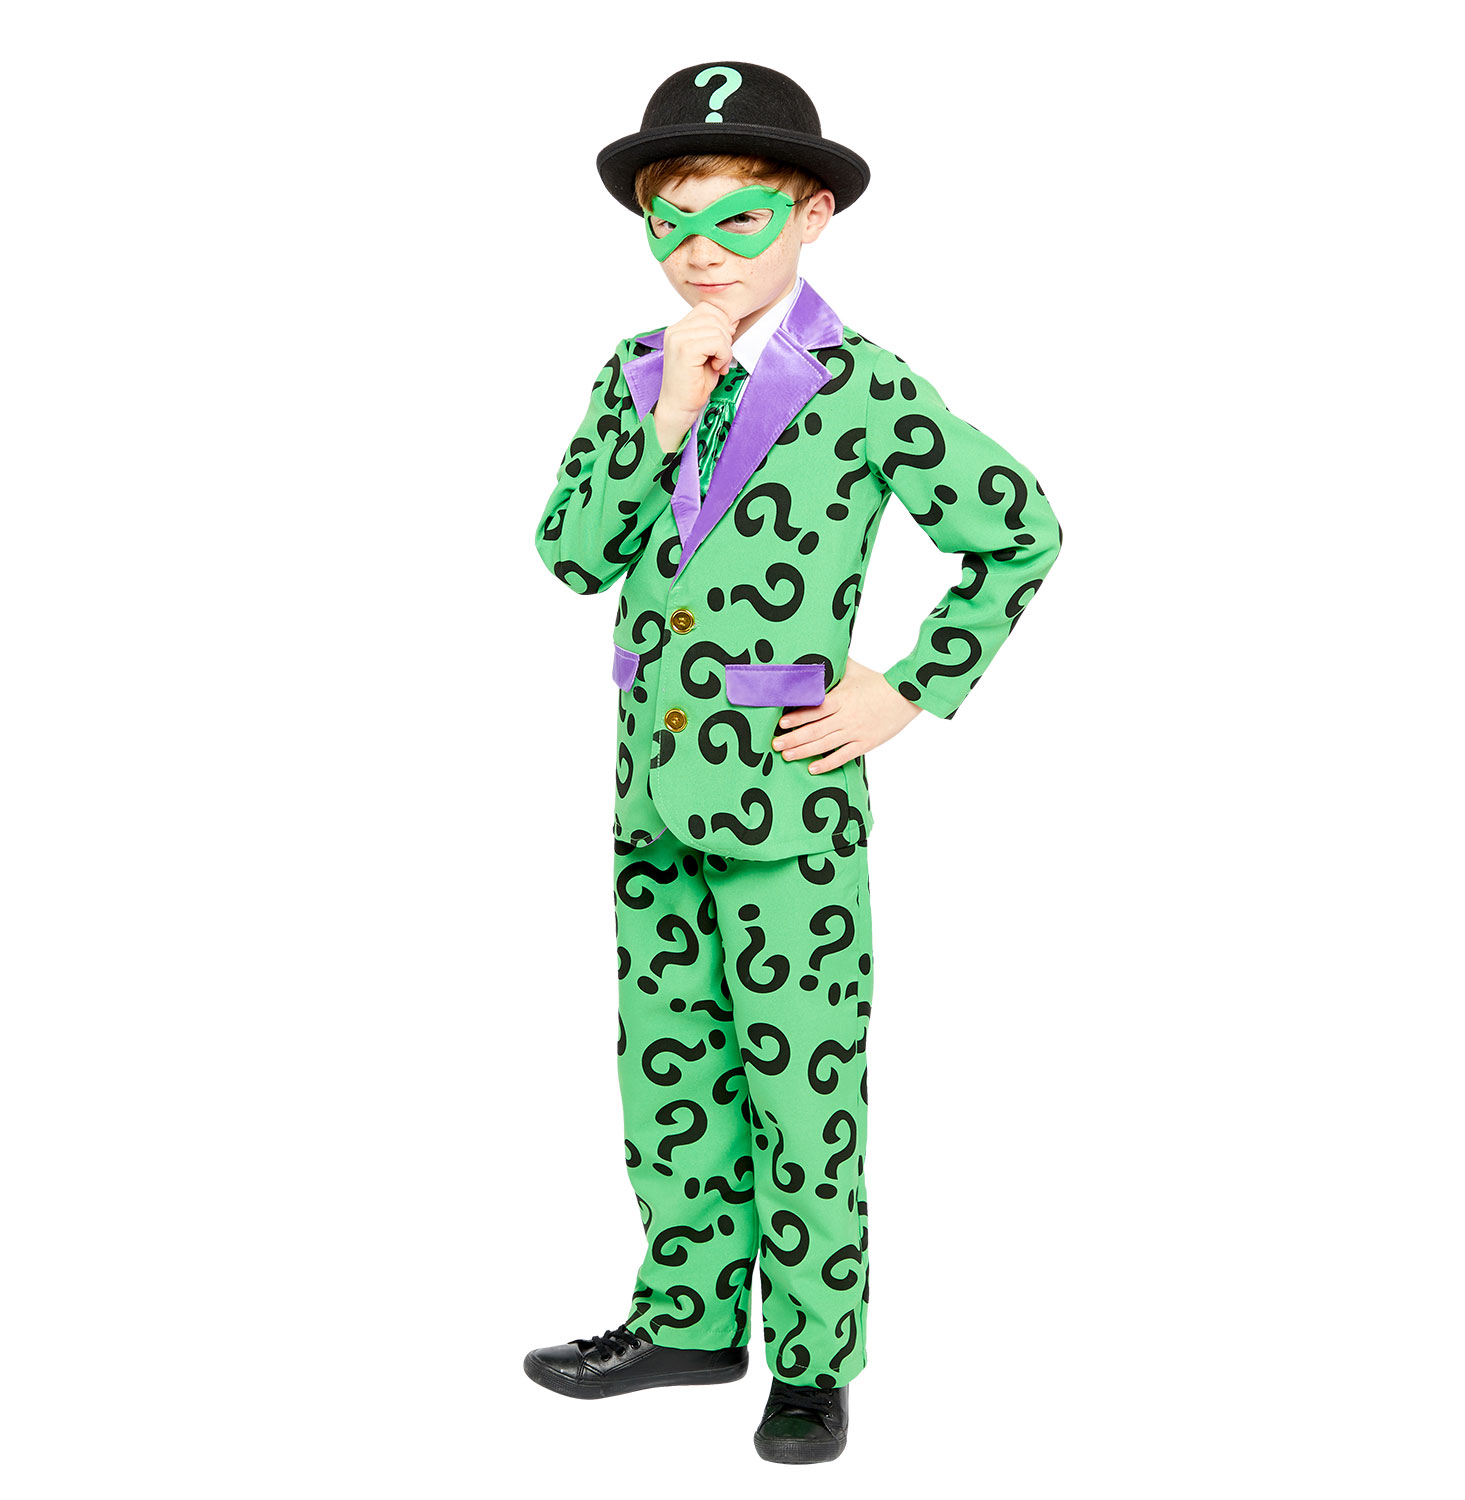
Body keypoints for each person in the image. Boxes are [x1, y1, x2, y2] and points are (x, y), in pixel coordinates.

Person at [525, 60, 1063, 1464]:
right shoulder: (634, 372)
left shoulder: (863, 387)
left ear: (813, 215)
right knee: (668, 1070)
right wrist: (663, 415)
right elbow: (571, 556)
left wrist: (915, 688)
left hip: (789, 797)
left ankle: (815, 1361)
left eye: (738, 219)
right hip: (649, 792)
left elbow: (1021, 530)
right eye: (672, 221)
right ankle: (691, 1317)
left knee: (802, 1088)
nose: (700, 249)